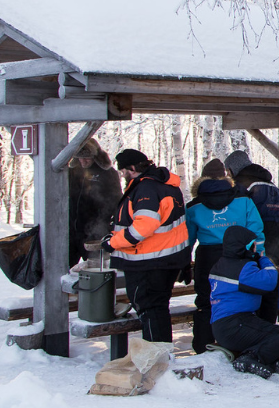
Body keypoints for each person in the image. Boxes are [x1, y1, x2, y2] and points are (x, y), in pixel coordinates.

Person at [106, 149, 189, 345]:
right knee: (158, 308)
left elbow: (144, 226)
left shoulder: (147, 189)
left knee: (150, 310)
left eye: (124, 170)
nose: (123, 175)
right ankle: (161, 357)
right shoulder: (166, 185)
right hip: (167, 258)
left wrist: (112, 243)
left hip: (148, 261)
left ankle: (156, 360)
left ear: (132, 168)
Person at [185, 158, 263, 353]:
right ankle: (236, 343)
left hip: (208, 256)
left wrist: (184, 262)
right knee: (239, 299)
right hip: (239, 255)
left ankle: (202, 346)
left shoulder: (194, 206)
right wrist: (257, 256)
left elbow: (187, 239)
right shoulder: (243, 201)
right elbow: (256, 231)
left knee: (206, 300)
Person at [208, 225, 279, 378]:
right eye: (254, 244)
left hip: (224, 324)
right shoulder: (242, 268)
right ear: (246, 246)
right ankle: (251, 358)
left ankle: (267, 361)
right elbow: (270, 280)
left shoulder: (221, 264)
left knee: (272, 334)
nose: (256, 246)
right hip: (234, 324)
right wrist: (264, 259)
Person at [225, 150, 279, 322]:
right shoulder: (270, 184)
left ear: (231, 169)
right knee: (272, 280)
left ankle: (256, 327)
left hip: (259, 236)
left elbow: (241, 215)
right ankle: (269, 325)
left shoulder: (242, 185)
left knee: (254, 281)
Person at [68, 138, 122, 268]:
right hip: (71, 230)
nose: (83, 161)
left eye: (87, 158)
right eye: (79, 158)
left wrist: (106, 223)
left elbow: (116, 200)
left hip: (96, 231)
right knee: (64, 270)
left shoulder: (108, 173)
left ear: (95, 157)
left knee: (97, 268)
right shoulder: (72, 171)